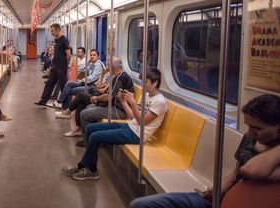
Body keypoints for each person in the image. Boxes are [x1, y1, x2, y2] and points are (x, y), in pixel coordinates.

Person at [129, 94, 280, 208]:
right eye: (248, 127)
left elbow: (251, 170)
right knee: (140, 205)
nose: (249, 133)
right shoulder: (250, 138)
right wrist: (215, 190)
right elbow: (235, 174)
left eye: (257, 128)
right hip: (219, 198)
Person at [61, 68, 167, 180]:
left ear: (155, 83)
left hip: (137, 135)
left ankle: (84, 167)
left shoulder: (160, 102)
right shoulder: (145, 96)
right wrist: (123, 102)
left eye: (145, 82)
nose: (142, 85)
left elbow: (142, 122)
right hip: (130, 126)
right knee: (91, 128)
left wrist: (133, 103)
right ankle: (90, 167)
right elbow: (132, 117)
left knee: (95, 137)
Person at [73, 57, 134, 146]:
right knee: (88, 107)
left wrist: (96, 98)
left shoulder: (120, 77)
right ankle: (91, 137)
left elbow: (109, 97)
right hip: (113, 106)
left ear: (114, 67)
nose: (107, 67)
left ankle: (89, 141)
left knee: (84, 113)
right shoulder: (117, 77)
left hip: (119, 110)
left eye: (109, 65)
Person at [35, 23, 71, 106]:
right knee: (49, 83)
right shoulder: (56, 39)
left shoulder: (64, 40)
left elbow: (68, 54)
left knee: (63, 85)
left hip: (62, 66)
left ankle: (66, 104)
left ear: (58, 30)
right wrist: (52, 63)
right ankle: (43, 100)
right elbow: (56, 52)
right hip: (55, 65)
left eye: (53, 31)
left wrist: (66, 65)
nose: (52, 33)